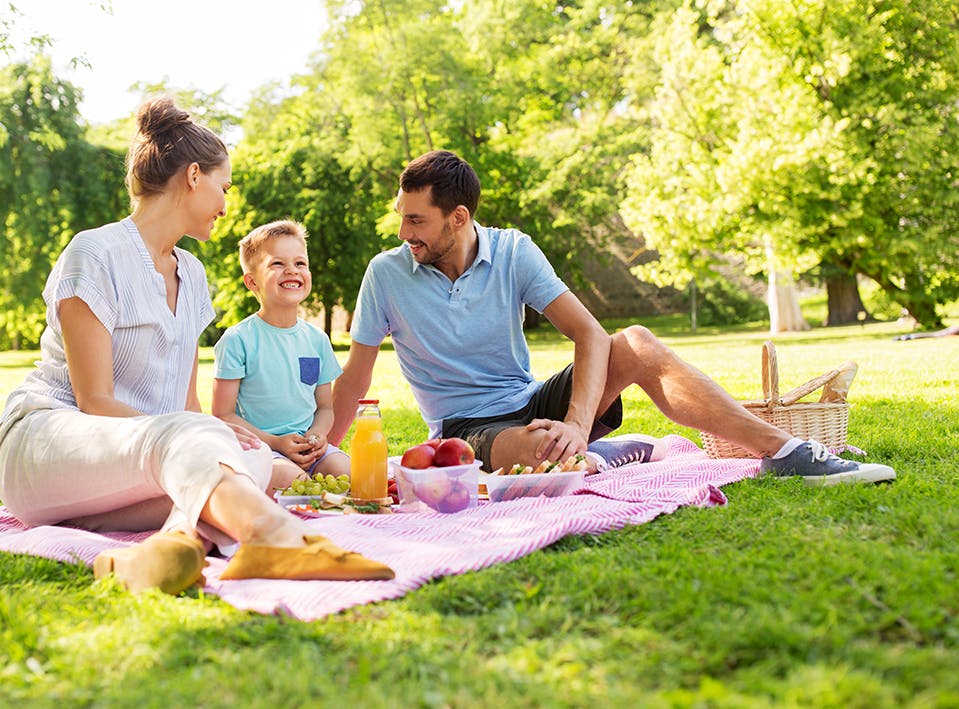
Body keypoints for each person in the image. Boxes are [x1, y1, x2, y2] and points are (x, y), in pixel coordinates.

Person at [0, 98, 393, 596]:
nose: (226, 204)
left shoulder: (192, 273)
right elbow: (95, 402)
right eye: (223, 188)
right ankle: (273, 538)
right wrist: (200, 430)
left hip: (143, 461)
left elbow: (186, 405)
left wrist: (227, 437)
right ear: (194, 176)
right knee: (208, 448)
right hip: (46, 444)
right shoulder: (94, 252)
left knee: (255, 463)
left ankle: (160, 550)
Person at [329, 150, 896, 487]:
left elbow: (590, 335)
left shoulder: (513, 252)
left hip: (534, 401)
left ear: (457, 217)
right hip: (466, 429)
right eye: (401, 218)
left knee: (638, 342)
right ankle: (587, 452)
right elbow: (356, 378)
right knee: (540, 453)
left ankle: (787, 452)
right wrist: (321, 453)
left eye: (416, 221)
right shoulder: (387, 273)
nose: (404, 234)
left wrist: (576, 420)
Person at [212, 220, 349, 489]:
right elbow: (223, 415)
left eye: (300, 263)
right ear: (252, 281)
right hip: (263, 448)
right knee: (291, 482)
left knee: (350, 474)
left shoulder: (317, 340)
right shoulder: (238, 340)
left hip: (308, 447)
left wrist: (317, 436)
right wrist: (275, 443)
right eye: (277, 264)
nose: (292, 271)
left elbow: (325, 407)